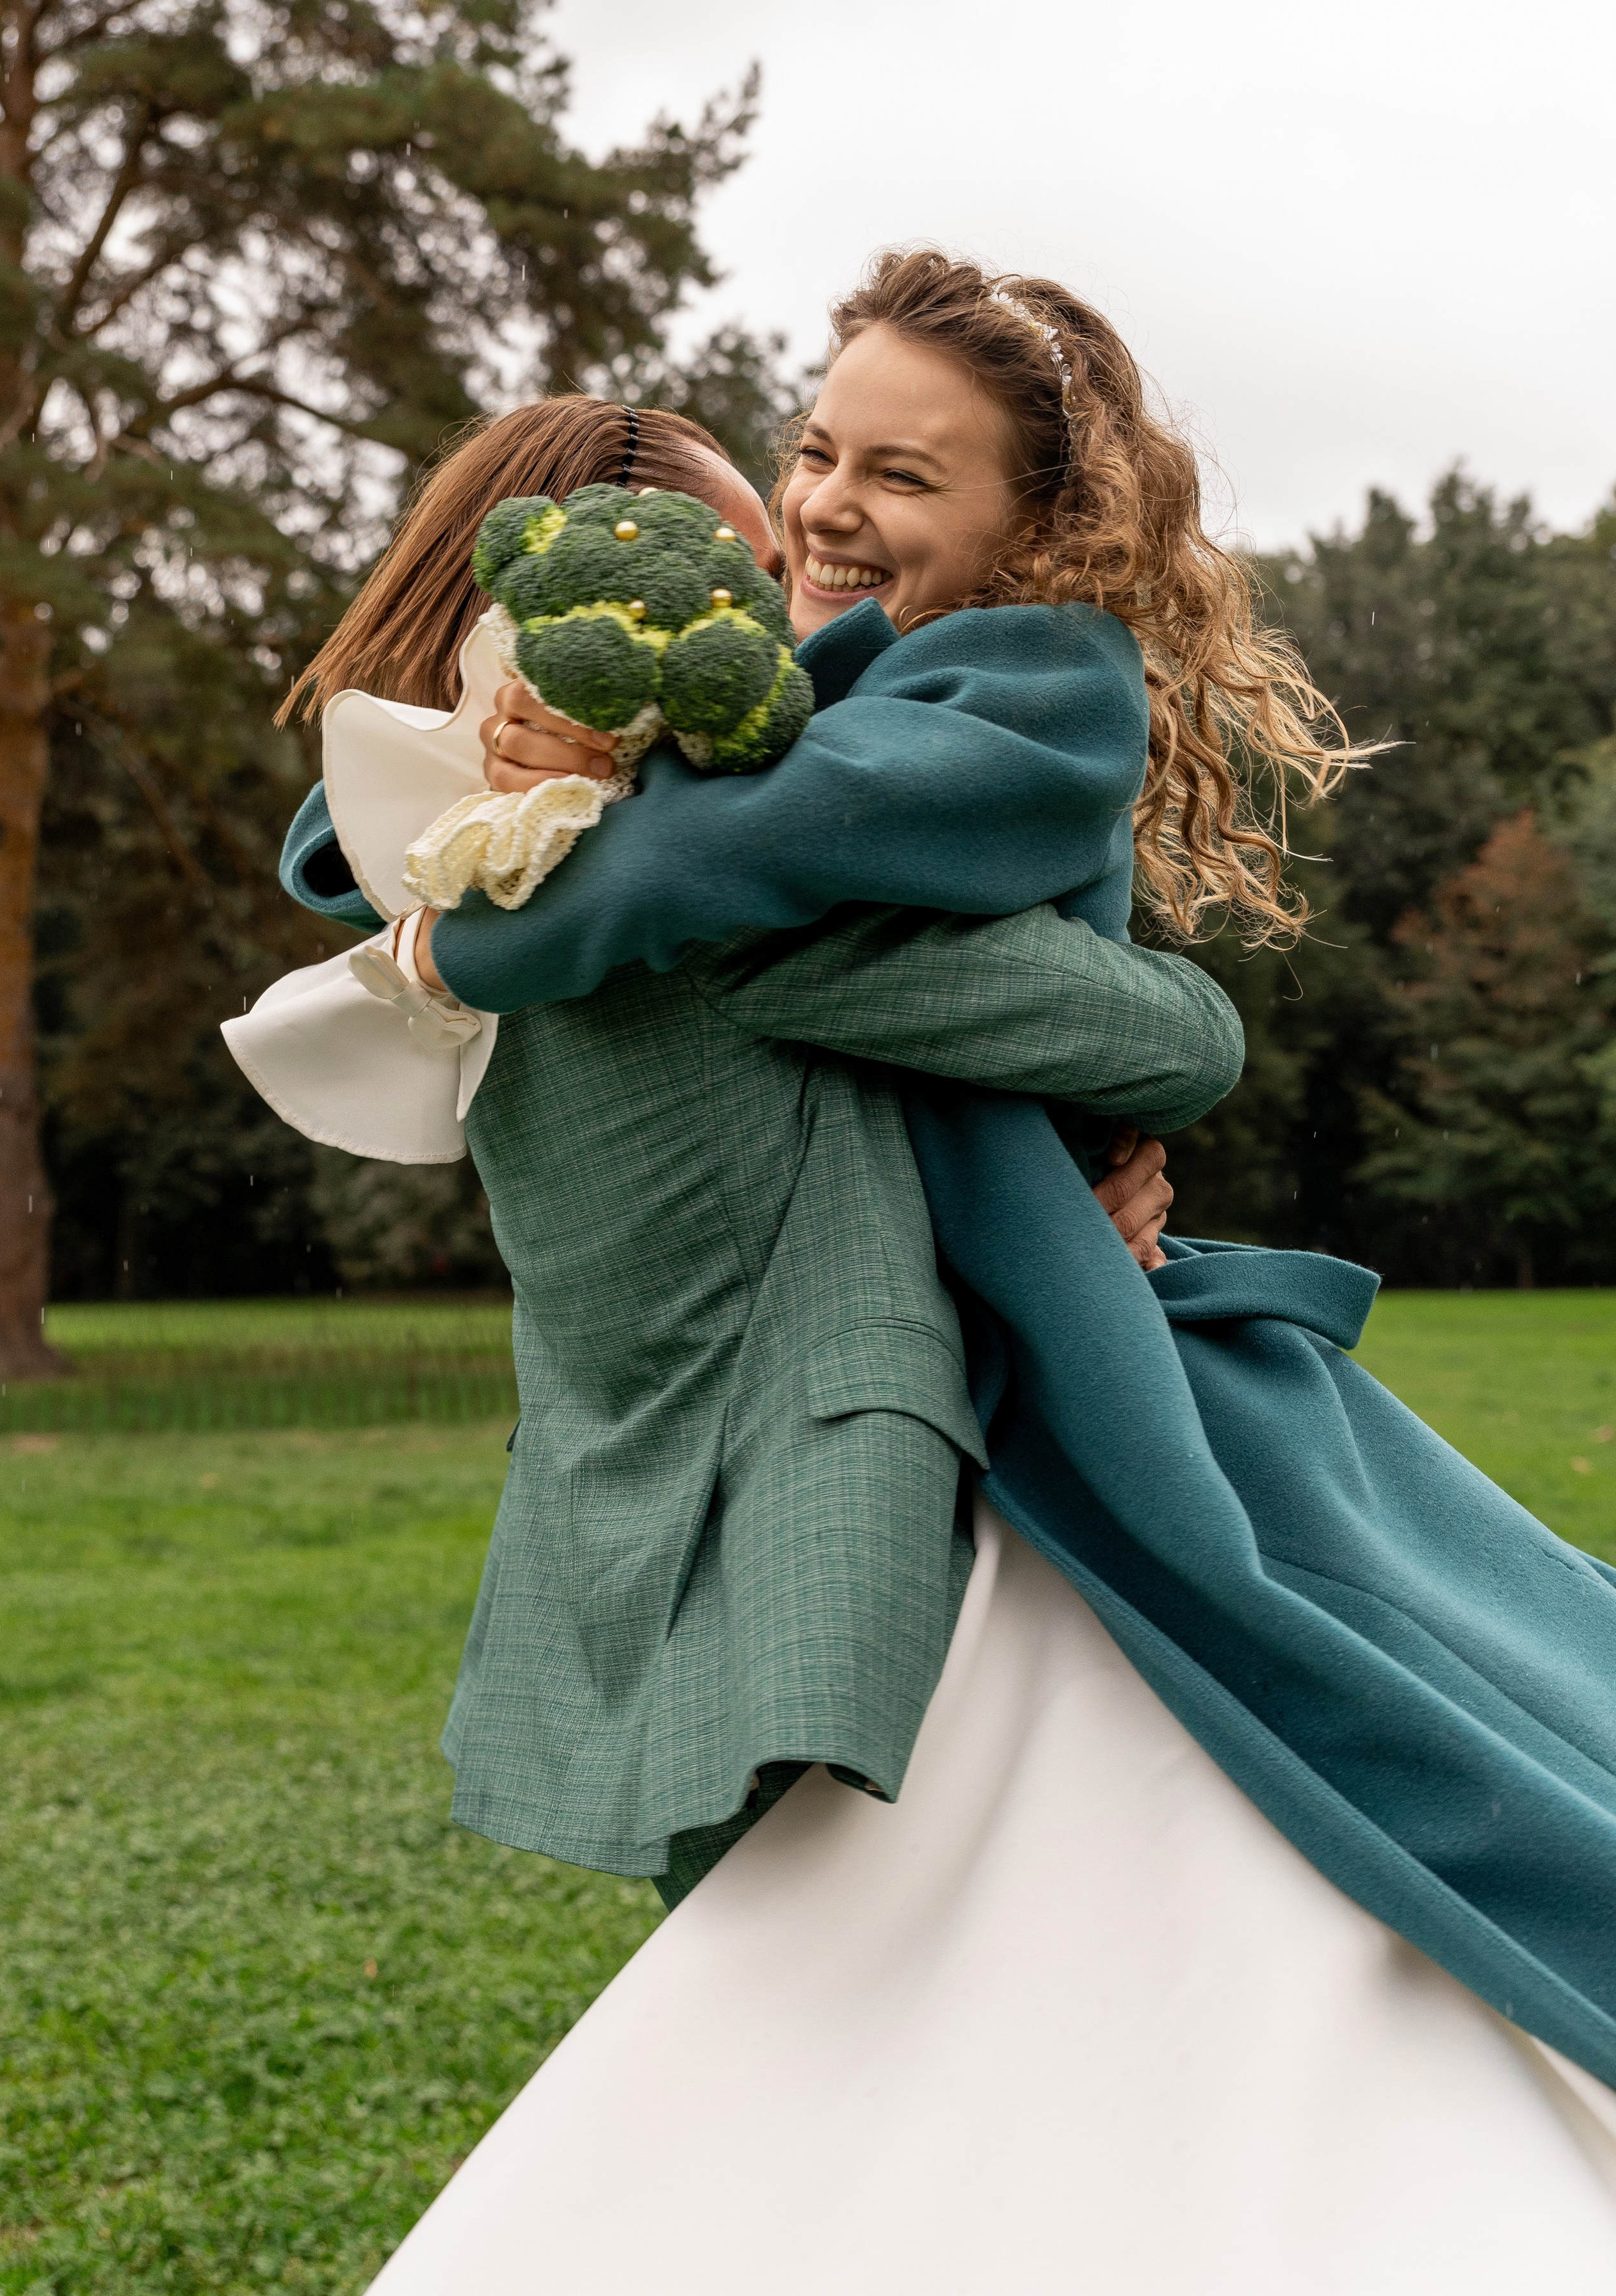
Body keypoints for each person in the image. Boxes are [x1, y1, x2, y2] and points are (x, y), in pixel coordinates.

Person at [307, 254, 1616, 2292]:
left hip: (1021, 1368)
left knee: (1223, 1831)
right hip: (902, 1386)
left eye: (893, 471)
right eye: (814, 447)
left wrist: (509, 908)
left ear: (1036, 522)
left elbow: (774, 905)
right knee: (1021, 1899)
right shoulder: (759, 721)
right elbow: (1047, 1000)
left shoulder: (1008, 682)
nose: (824, 503)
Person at [262, 389, 1241, 1905]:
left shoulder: (453, 871)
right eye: (730, 584)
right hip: (819, 1508)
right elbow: (1173, 1041)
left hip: (640, 1524)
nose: (772, 636)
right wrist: (1054, 1208)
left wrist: (1037, 1197)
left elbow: (801, 1134)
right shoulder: (672, 901)